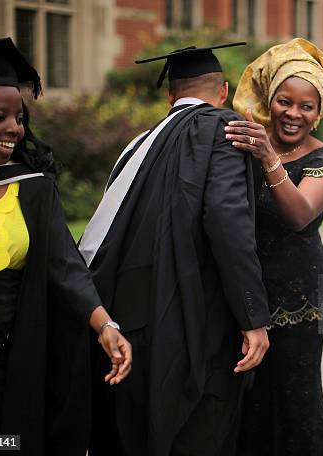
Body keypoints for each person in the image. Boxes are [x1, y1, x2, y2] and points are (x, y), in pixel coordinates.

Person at [78, 43, 271, 456]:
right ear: (223, 91)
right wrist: (253, 314)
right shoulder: (225, 128)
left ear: (170, 95)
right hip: (194, 321)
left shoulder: (138, 145)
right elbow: (227, 221)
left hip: (130, 321)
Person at [0, 38, 132, 455]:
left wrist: (107, 327)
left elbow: (65, 266)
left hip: (16, 352)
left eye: (18, 117)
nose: (14, 129)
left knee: (6, 443)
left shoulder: (33, 189)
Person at [227, 38, 323, 455]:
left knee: (294, 402)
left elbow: (300, 216)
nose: (294, 113)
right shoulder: (244, 146)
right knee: (245, 402)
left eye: (306, 106)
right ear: (269, 100)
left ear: (318, 115)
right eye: (285, 101)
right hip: (243, 293)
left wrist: (269, 159)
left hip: (298, 298)